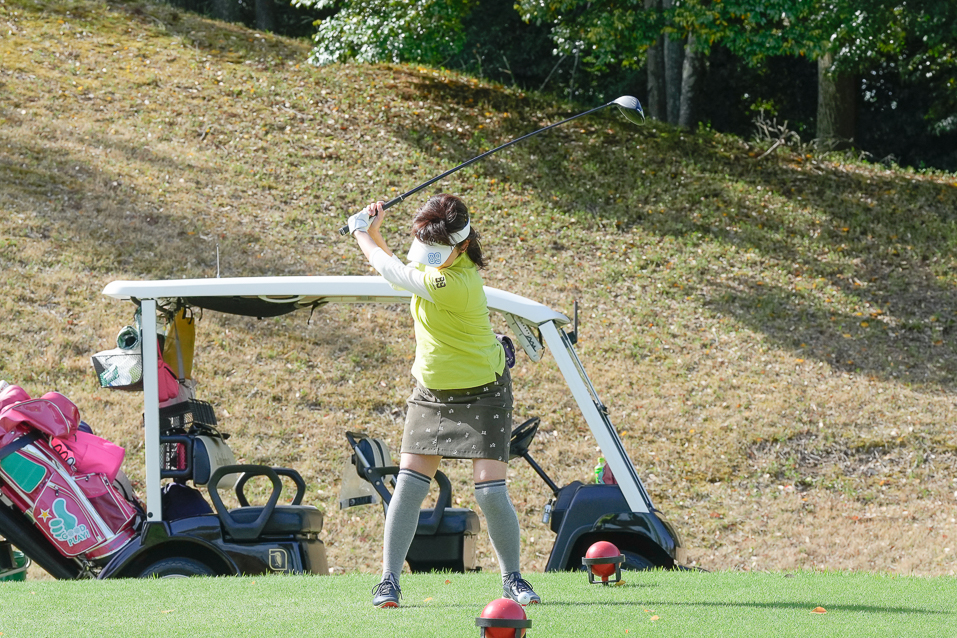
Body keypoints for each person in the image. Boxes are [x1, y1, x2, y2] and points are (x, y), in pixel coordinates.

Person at [346, 194, 541, 609]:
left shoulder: (454, 283)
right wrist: (375, 231)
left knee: (490, 493)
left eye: (438, 253)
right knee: (408, 486)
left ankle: (512, 578)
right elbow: (400, 270)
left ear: (463, 245)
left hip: (483, 391)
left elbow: (391, 270)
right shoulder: (438, 264)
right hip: (431, 391)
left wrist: (360, 231)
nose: (430, 259)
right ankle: (388, 581)